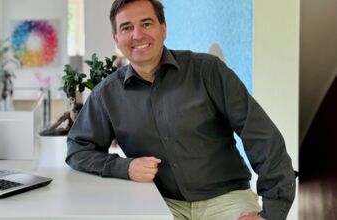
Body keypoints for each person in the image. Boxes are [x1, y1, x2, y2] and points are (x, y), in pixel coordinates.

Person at [66, 0, 296, 219]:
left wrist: (272, 213)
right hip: (159, 201)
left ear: (163, 29)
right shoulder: (106, 94)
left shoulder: (208, 71)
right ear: (116, 38)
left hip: (227, 198)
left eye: (146, 23)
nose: (137, 35)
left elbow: (261, 136)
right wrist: (124, 167)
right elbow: (78, 150)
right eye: (127, 28)